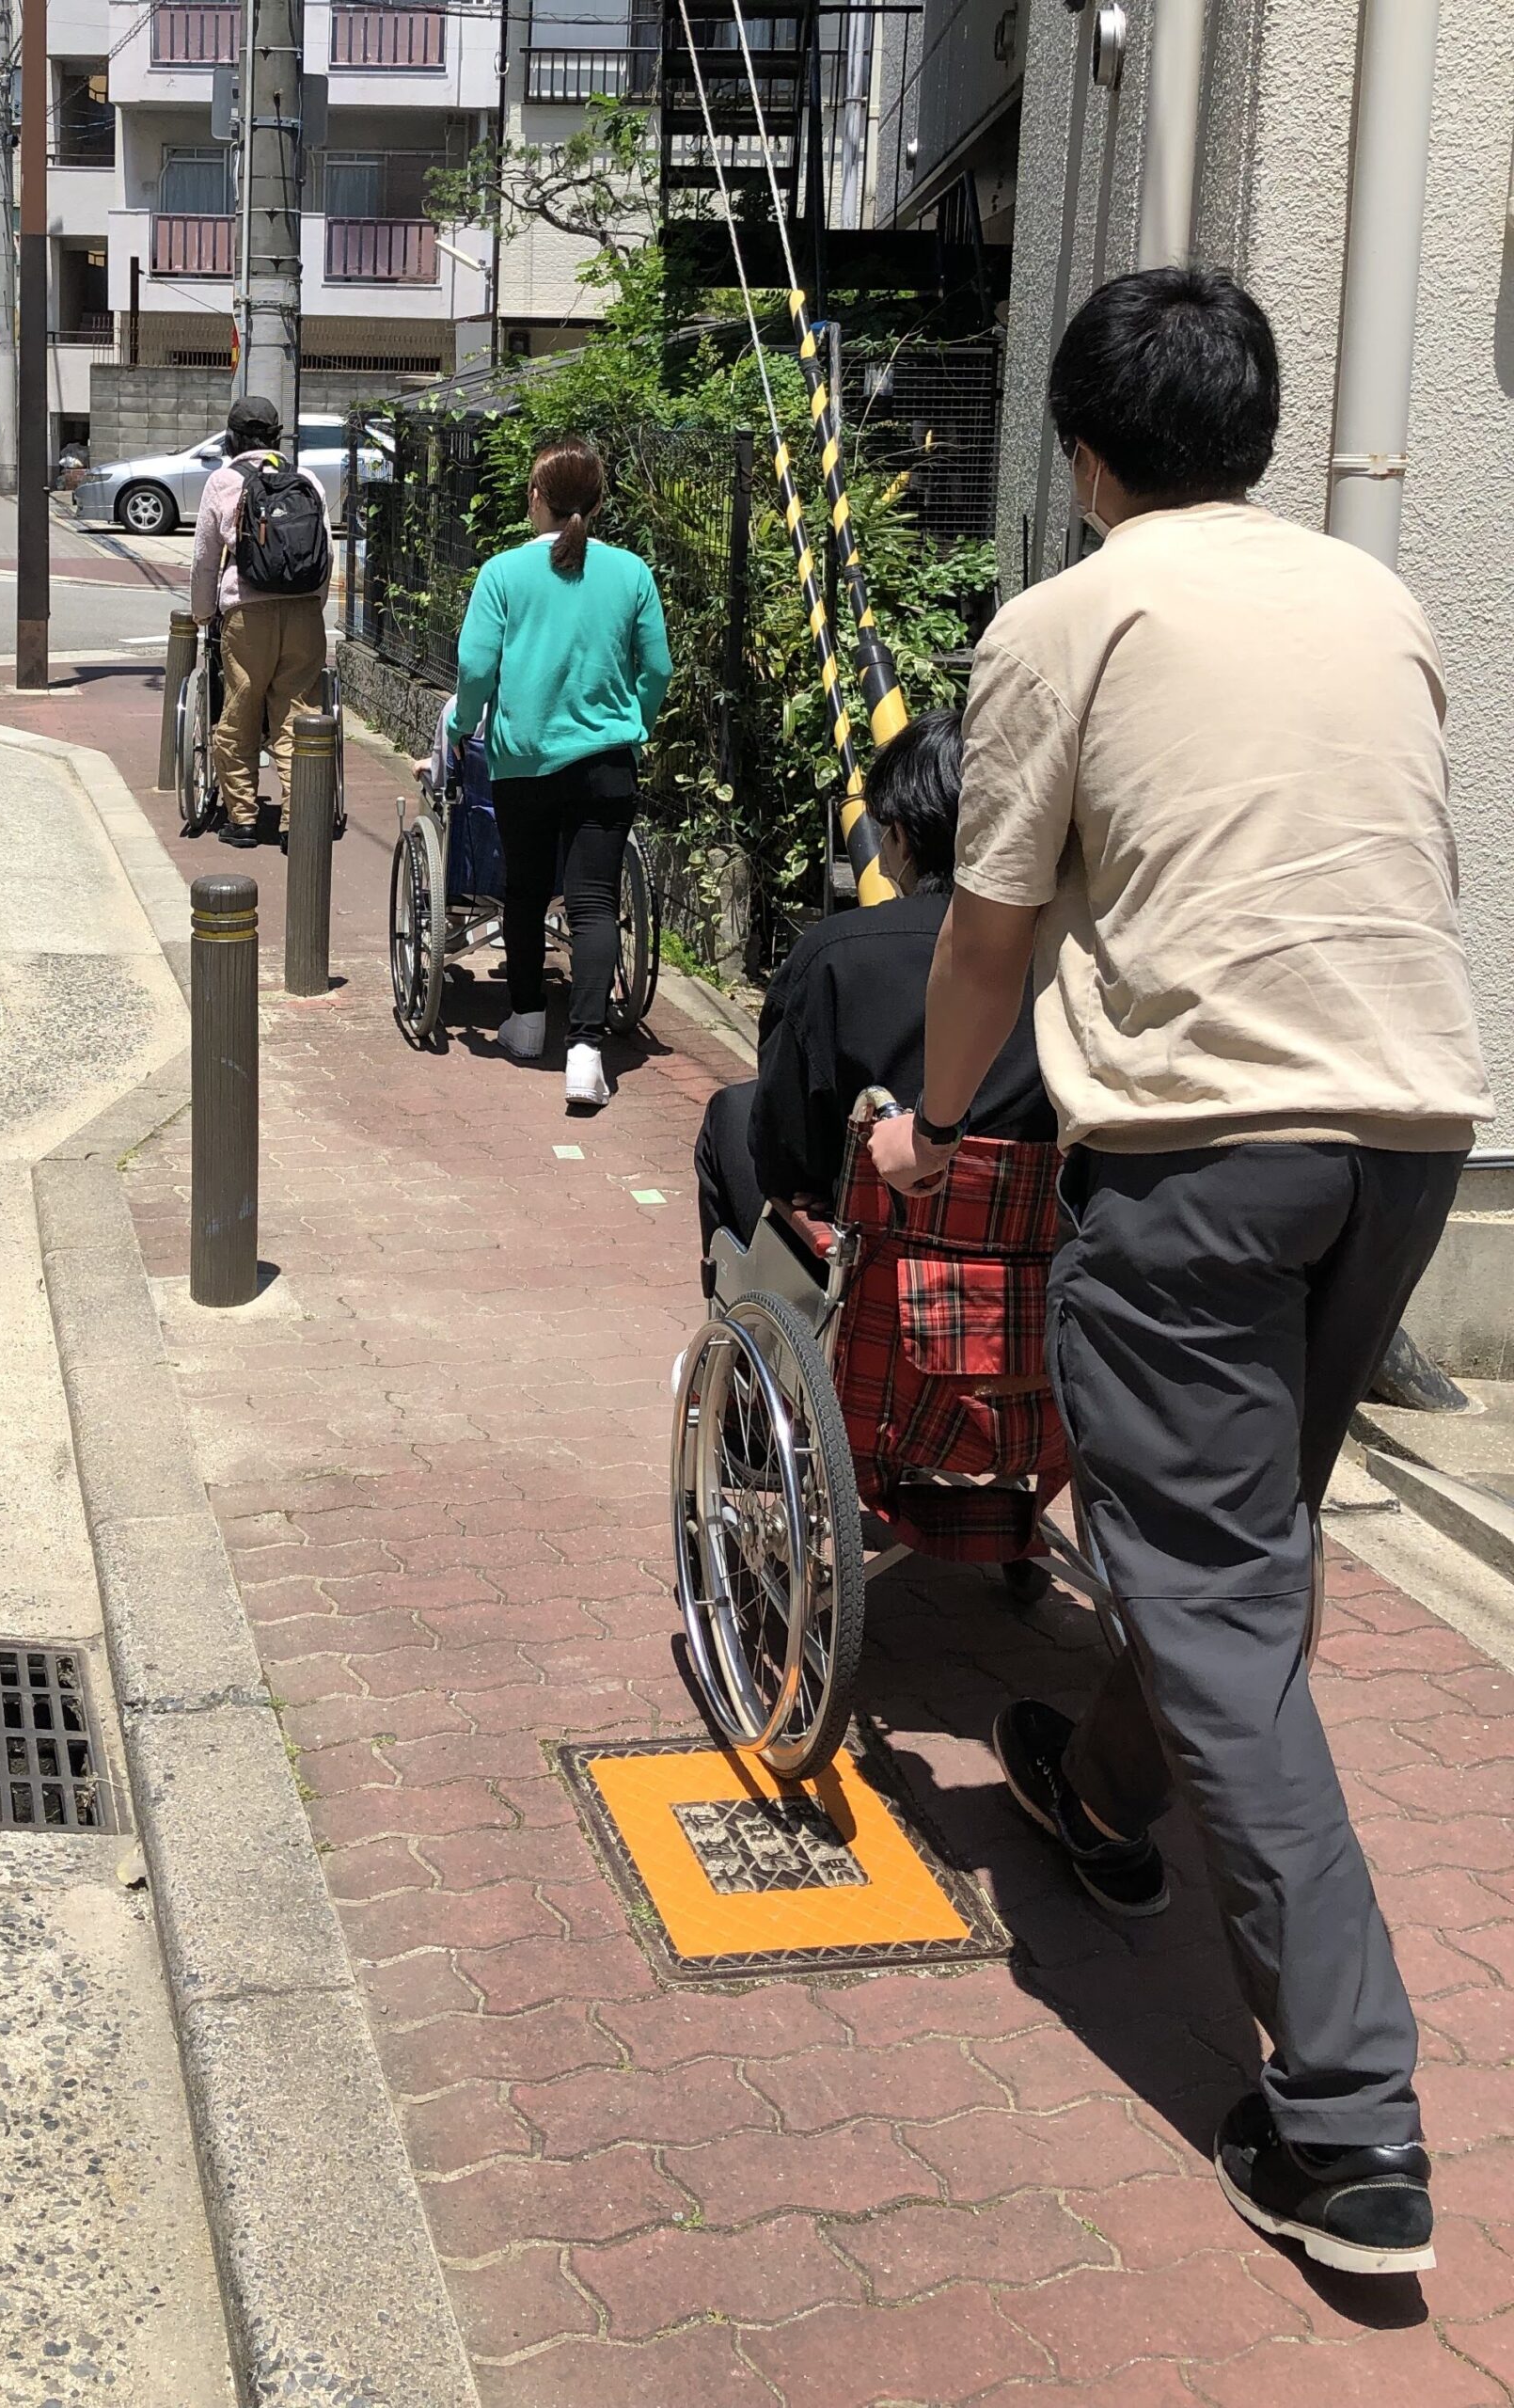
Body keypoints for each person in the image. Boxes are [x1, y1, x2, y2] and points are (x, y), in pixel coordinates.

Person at [873, 265, 1490, 2278]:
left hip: (1201, 1162)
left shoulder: (1066, 616)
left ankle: (1343, 2122)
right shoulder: (1372, 598)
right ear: (1257, 428)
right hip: (1403, 1141)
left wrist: (930, 1123)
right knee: (1232, 1559)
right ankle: (1092, 1770)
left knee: (1223, 1613)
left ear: (1080, 450)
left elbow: (984, 929)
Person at [694, 706, 1055, 1265]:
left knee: (731, 1113)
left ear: (903, 838)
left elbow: (787, 1158)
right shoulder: (1072, 955)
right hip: (1033, 1251)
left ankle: (734, 1325)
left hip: (867, 1257)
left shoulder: (837, 953)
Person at [450, 436, 671, 1109]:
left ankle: (524, 1022)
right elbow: (657, 668)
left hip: (525, 763)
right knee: (594, 902)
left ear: (536, 498)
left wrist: (462, 728)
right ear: (598, 502)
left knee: (524, 890)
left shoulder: (502, 574)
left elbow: (476, 671)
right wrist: (638, 722)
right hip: (607, 763)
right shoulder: (630, 572)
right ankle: (585, 1050)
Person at [188, 395, 329, 848]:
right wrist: (314, 603)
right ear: (275, 439)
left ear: (232, 438)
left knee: (241, 710)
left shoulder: (223, 481)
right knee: (298, 712)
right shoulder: (306, 481)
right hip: (305, 611)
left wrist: (203, 612)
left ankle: (243, 817)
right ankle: (297, 817)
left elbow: (205, 560)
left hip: (247, 613)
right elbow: (326, 552)